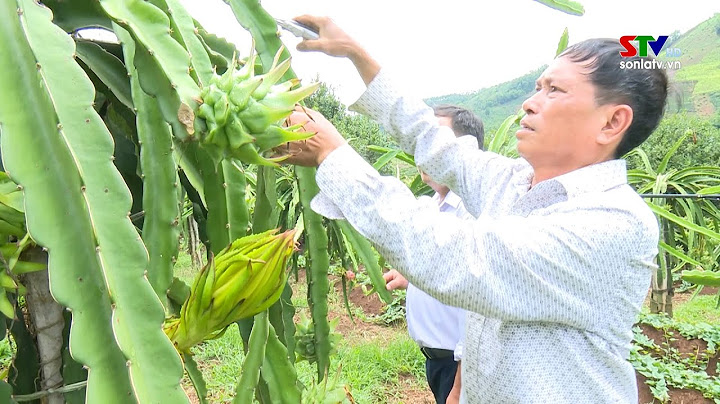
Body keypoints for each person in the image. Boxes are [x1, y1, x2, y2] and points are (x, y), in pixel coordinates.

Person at [280, 15, 668, 403]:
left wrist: (334, 156)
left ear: (612, 122)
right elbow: (435, 141)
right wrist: (356, 53)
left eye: (554, 90)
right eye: (536, 87)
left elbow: (458, 257)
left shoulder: (613, 223)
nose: (529, 103)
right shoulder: (516, 184)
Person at [383, 105, 484, 404]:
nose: (424, 153)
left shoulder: (473, 215)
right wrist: (410, 277)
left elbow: (481, 311)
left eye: (435, 142)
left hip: (461, 367)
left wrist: (459, 387)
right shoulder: (432, 207)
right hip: (436, 361)